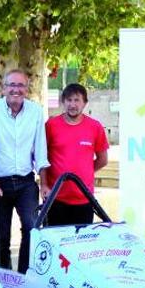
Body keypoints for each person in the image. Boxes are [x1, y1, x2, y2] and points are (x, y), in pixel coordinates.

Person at [0, 69, 49, 273]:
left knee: (31, 228)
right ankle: (3, 277)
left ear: (26, 89)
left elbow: (41, 150)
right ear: (4, 88)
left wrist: (44, 184)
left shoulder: (36, 111)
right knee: (1, 235)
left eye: (20, 85)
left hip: (26, 182)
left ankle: (24, 276)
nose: (16, 90)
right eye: (12, 85)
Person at [40, 83, 109, 226]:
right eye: (69, 100)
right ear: (63, 102)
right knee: (56, 244)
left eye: (77, 100)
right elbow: (42, 158)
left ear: (85, 103)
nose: (72, 104)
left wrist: (85, 173)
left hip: (84, 199)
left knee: (80, 246)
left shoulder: (95, 127)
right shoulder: (51, 126)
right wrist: (44, 185)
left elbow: (103, 160)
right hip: (55, 198)